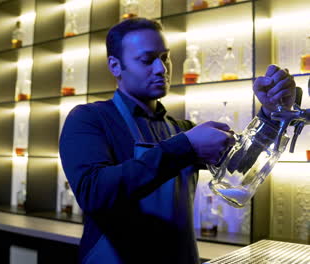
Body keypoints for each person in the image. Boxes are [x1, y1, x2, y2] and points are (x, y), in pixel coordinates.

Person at [59, 18, 296, 264]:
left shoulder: (180, 128)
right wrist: (185, 146)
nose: (161, 68)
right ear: (115, 66)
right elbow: (94, 193)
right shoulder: (89, 119)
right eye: (147, 59)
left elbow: (241, 169)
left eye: (165, 57)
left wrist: (272, 114)